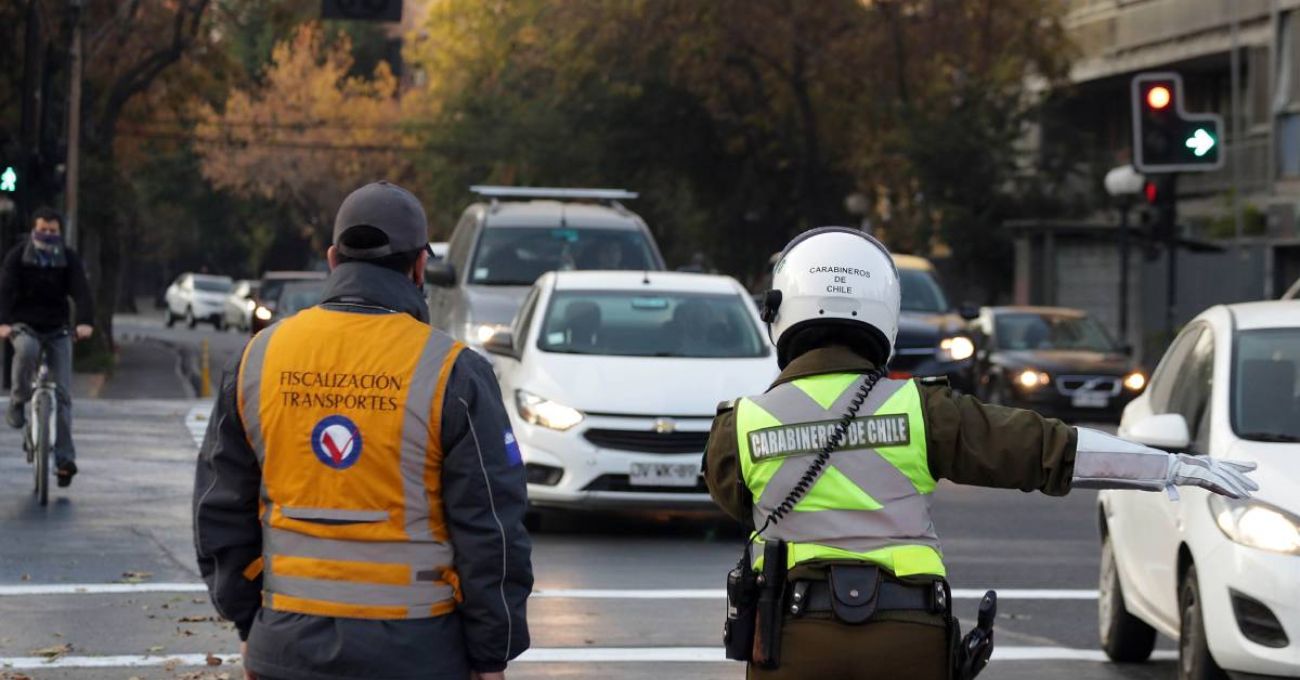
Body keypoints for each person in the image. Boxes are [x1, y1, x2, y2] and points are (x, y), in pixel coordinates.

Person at [704, 227, 1258, 680]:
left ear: (779, 312)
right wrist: (1172, 466)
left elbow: (733, 500)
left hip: (793, 637)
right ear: (883, 313)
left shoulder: (743, 424)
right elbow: (1047, 449)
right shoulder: (923, 411)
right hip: (910, 636)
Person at [194, 181, 533, 680]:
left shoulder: (257, 359)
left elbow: (221, 510)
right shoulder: (454, 373)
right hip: (419, 652)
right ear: (420, 267)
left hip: (286, 648)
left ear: (333, 260)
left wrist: (252, 626)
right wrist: (491, 653)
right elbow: (492, 530)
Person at [0, 207, 94, 487]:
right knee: (26, 351)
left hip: (58, 329)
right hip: (24, 324)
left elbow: (81, 290)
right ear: (34, 229)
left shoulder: (68, 259)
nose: (48, 235)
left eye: (53, 231)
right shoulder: (18, 256)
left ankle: (64, 459)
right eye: (43, 230)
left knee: (63, 395)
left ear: (60, 233)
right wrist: (3, 323)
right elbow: (4, 289)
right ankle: (18, 401)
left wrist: (85, 322)